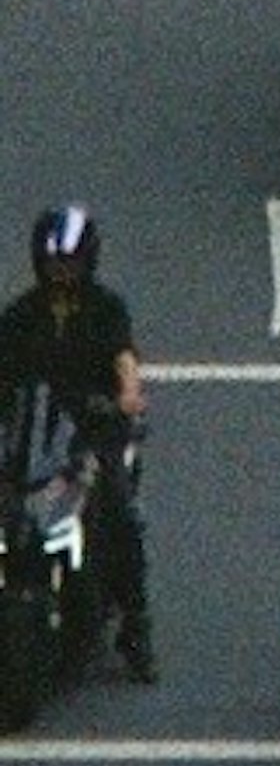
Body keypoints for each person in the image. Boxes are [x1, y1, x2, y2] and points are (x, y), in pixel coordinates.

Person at [0, 204, 151, 680]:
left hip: (90, 435)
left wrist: (127, 396)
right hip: (30, 437)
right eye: (52, 263)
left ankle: (136, 629)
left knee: (122, 516)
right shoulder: (21, 314)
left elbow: (123, 357)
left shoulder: (106, 309)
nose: (60, 271)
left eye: (68, 262)